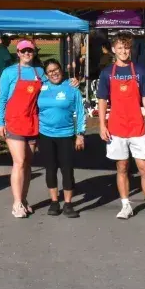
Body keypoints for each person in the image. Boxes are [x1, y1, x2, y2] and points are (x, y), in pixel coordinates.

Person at [98, 36, 145, 222]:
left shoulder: (140, 71)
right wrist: (102, 124)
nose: (123, 52)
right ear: (113, 49)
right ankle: (125, 205)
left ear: (131, 50)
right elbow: (102, 100)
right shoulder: (106, 73)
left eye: (126, 48)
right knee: (122, 167)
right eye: (120, 48)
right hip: (116, 128)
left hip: (138, 127)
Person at [0, 38, 44, 218]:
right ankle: (16, 203)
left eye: (29, 51)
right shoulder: (9, 73)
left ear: (34, 52)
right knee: (20, 161)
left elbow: (52, 88)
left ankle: (24, 199)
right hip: (14, 121)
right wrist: (0, 122)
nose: (26, 54)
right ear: (18, 53)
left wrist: (71, 83)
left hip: (32, 121)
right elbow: (1, 99)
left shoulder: (40, 72)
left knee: (28, 163)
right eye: (23, 51)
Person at [37, 59, 85, 218]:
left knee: (67, 169)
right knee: (50, 169)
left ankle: (68, 204)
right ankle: (54, 202)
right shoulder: (40, 86)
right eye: (50, 71)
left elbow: (80, 111)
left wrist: (80, 135)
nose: (54, 73)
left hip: (66, 134)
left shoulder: (72, 88)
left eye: (56, 69)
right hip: (45, 134)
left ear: (61, 70)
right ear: (46, 74)